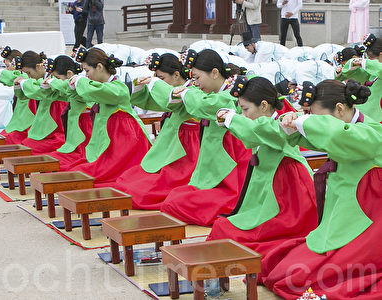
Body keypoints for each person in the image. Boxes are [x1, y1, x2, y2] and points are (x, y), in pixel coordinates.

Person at [261, 79, 382, 299]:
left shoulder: (372, 132)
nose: (315, 122)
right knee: (282, 269)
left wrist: (305, 121)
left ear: (339, 109)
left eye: (318, 117)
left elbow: (336, 134)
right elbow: (321, 136)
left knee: (301, 277)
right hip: (341, 214)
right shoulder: (345, 127)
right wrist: (291, 124)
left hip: (368, 223)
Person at [207, 76, 317, 259]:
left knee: (226, 231)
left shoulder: (278, 126)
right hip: (274, 199)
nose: (243, 115)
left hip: (290, 203)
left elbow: (253, 131)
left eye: (245, 109)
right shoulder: (270, 124)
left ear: (264, 105)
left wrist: (231, 119)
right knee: (223, 228)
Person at [160, 49, 252, 227]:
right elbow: (189, 104)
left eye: (197, 78)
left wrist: (186, 92)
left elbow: (205, 105)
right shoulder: (211, 95)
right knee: (174, 197)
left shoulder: (229, 97)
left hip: (232, 176)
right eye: (193, 79)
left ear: (215, 73)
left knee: (175, 203)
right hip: (214, 171)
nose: (195, 83)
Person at [115, 53, 200, 210]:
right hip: (169, 147)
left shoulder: (191, 92)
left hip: (184, 153)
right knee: (126, 182)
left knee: (144, 192)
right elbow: (153, 101)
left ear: (176, 75)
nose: (159, 82)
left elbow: (169, 99)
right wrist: (140, 88)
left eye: (162, 78)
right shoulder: (173, 91)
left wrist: (155, 84)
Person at [68, 48, 151, 187]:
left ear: (99, 67)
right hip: (113, 145)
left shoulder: (117, 88)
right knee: (77, 172)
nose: (86, 76)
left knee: (88, 176)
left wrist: (79, 82)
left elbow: (94, 90)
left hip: (125, 146)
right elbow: (86, 92)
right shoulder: (103, 87)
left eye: (87, 71)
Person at [37, 55, 93, 171]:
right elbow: (62, 91)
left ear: (69, 74)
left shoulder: (79, 85)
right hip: (74, 138)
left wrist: (52, 82)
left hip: (82, 139)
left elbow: (65, 87)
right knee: (49, 158)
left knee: (60, 163)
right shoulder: (72, 86)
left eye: (57, 77)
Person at [11, 51, 67, 154]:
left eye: (28, 73)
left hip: (55, 133)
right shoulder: (42, 80)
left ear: (38, 66)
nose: (29, 76)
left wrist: (23, 82)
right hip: (43, 131)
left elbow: (38, 91)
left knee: (23, 150)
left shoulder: (52, 80)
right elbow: (26, 95)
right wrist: (19, 85)